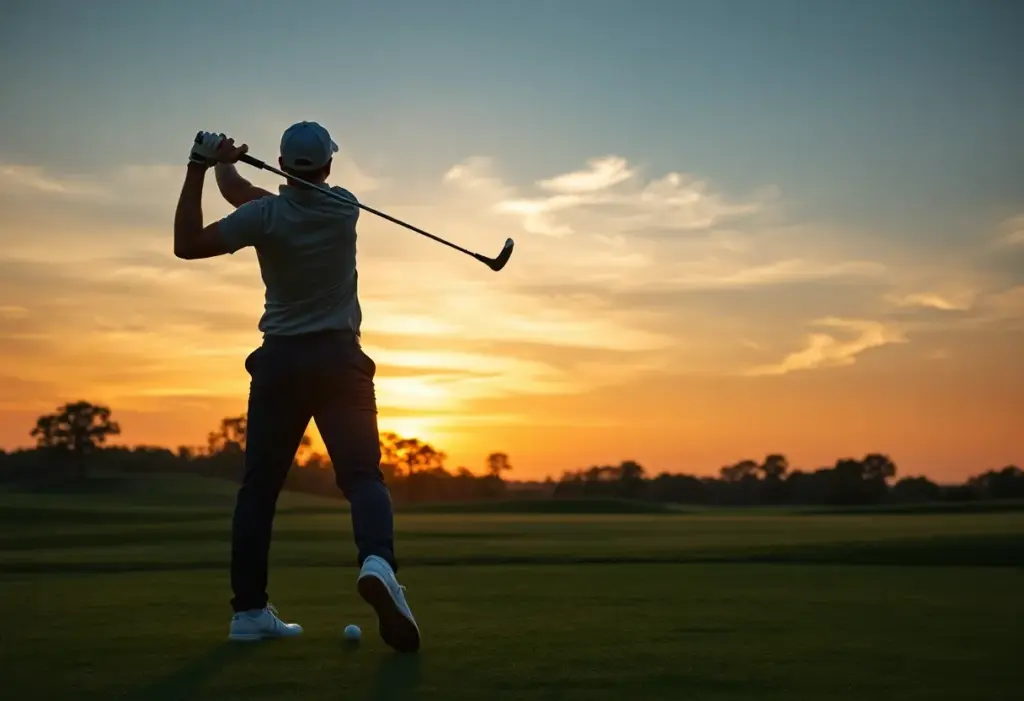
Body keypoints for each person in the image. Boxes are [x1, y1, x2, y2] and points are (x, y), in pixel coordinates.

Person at [173, 123, 420, 652]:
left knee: (259, 491)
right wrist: (225, 168)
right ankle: (377, 562)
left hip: (280, 364)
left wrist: (203, 164)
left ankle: (249, 612)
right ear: (329, 166)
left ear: (282, 164)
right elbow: (246, 194)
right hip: (339, 360)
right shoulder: (345, 207)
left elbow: (189, 243)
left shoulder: (265, 217)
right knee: (361, 478)